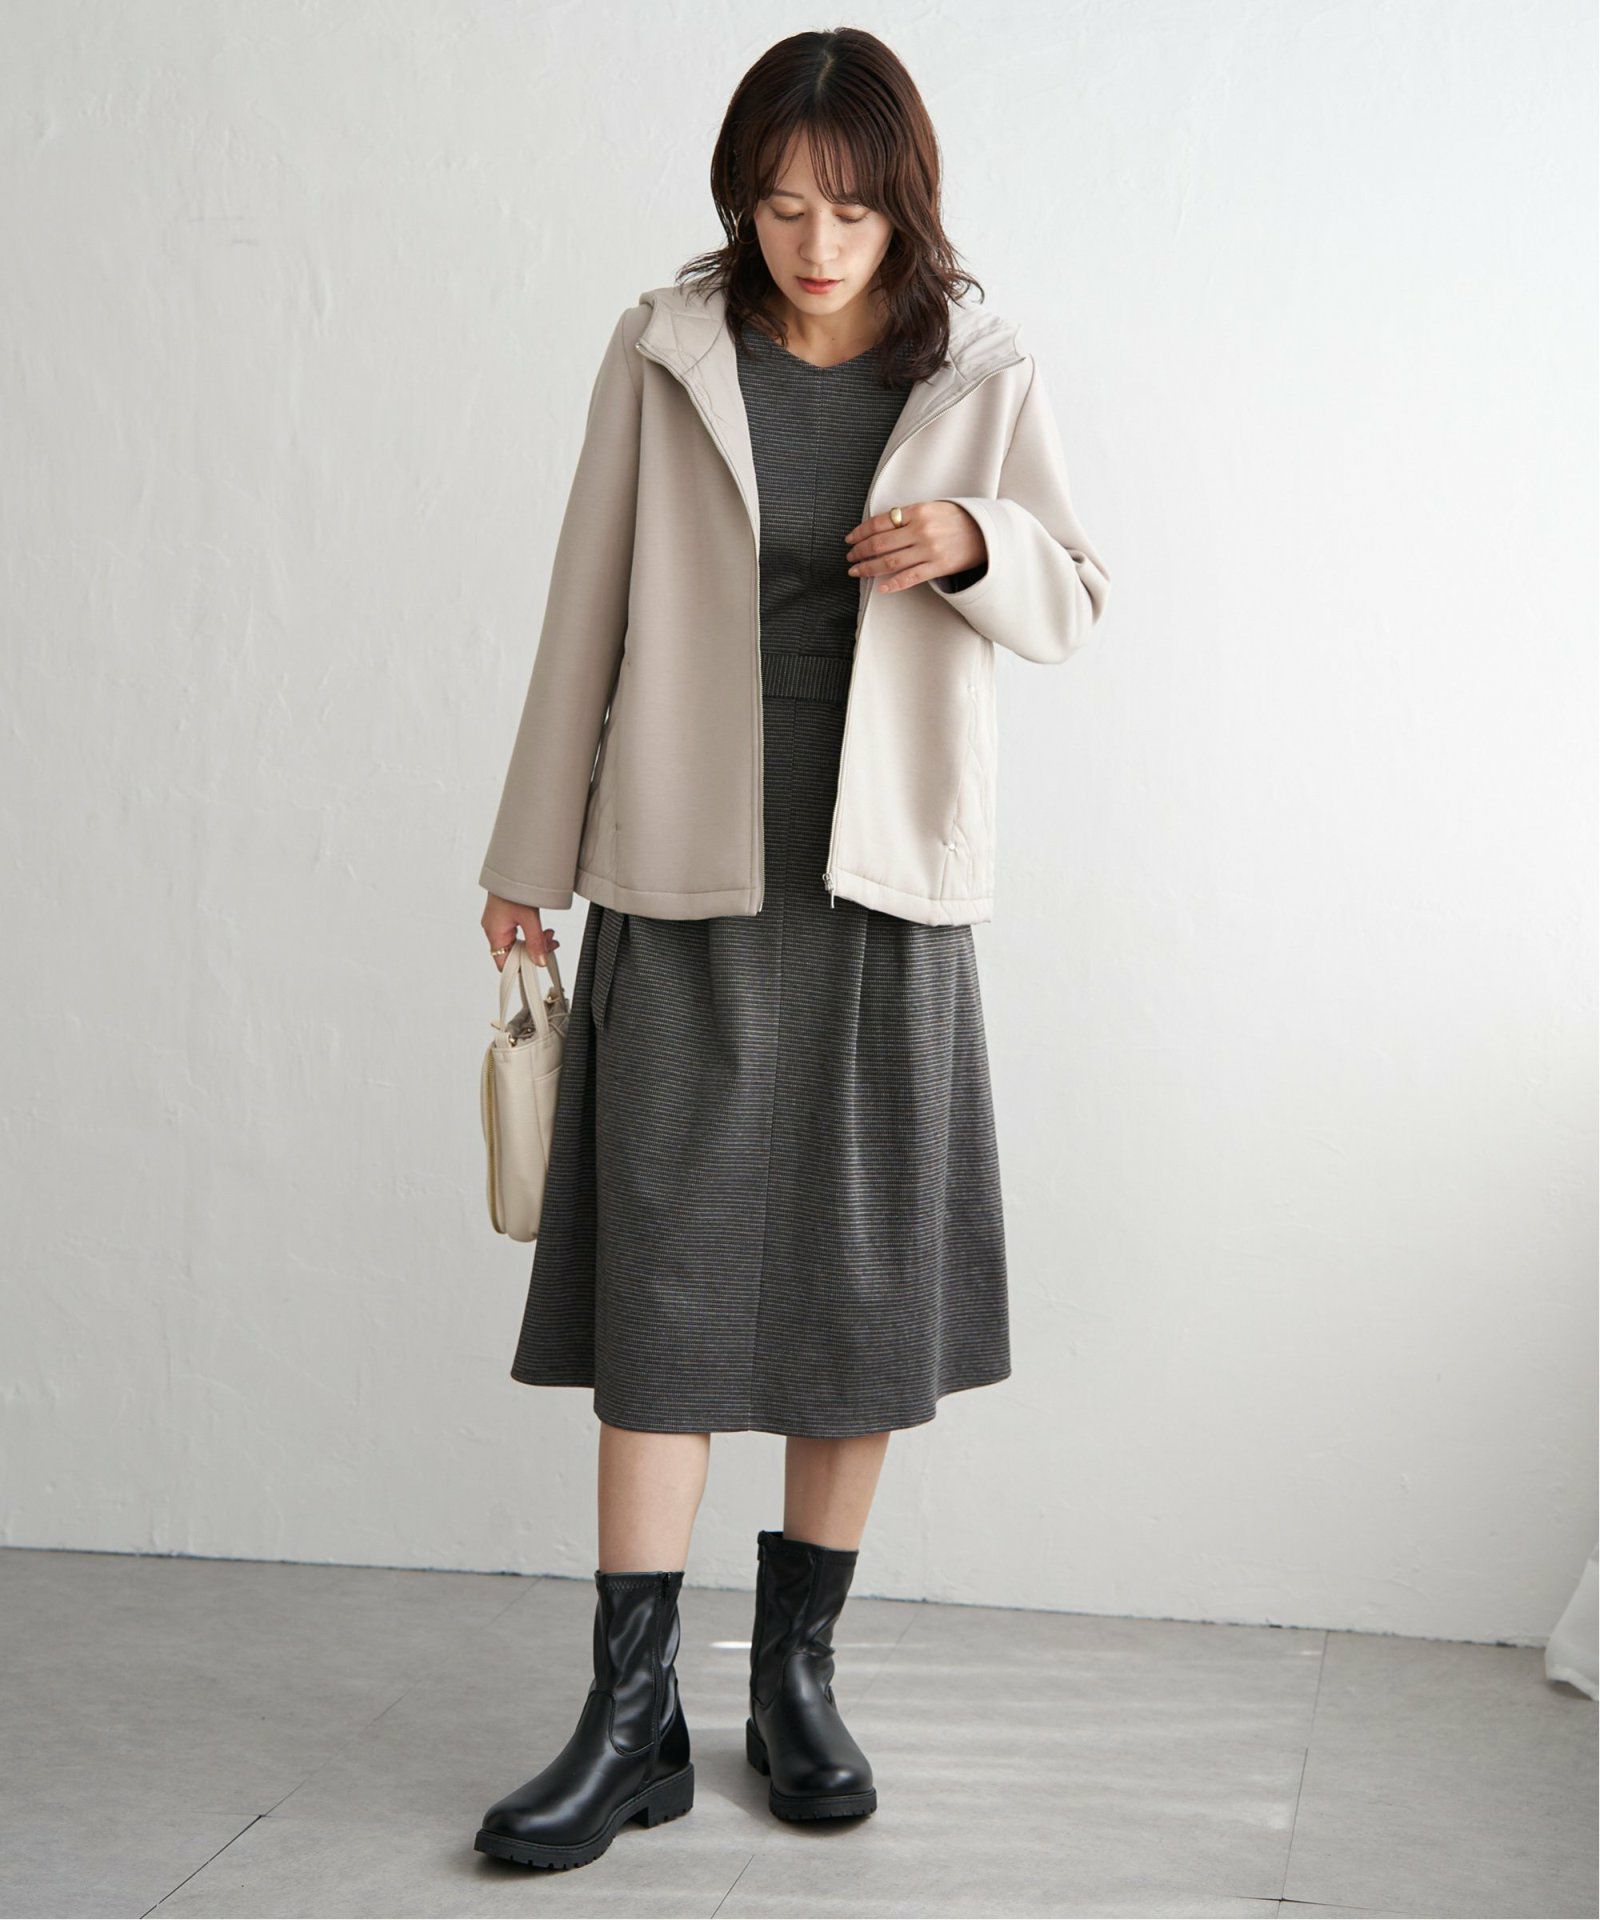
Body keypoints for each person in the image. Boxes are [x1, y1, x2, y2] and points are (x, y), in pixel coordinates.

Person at [472, 25, 1111, 1873]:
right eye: (778, 207)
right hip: (680, 868)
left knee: (856, 1292)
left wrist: (974, 537)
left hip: (883, 887)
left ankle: (798, 1680)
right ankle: (630, 1723)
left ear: (905, 206)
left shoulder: (976, 365)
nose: (813, 245)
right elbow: (585, 599)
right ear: (737, 203)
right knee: (664, 1295)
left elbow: (1074, 596)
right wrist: (528, 857)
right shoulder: (666, 349)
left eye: (848, 210)